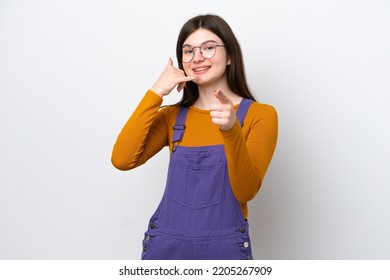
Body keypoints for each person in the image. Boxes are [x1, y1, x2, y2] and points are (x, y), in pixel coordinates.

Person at [111, 14, 278, 260]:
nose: (197, 57)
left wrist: (231, 130)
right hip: (167, 250)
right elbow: (122, 160)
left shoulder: (260, 115)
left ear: (230, 55)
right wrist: (156, 92)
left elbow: (245, 192)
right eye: (188, 51)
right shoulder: (172, 117)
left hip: (224, 252)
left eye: (209, 48)